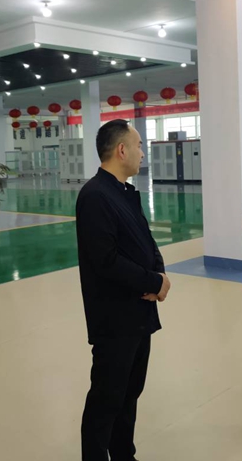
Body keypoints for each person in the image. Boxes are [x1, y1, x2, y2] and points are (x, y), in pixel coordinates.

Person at [76, 119, 171, 461]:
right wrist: (153, 282)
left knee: (130, 391)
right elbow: (106, 260)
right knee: (107, 397)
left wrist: (159, 272)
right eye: (139, 145)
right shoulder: (95, 196)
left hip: (138, 313)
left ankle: (123, 454)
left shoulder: (124, 192)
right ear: (121, 150)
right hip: (115, 318)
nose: (142, 153)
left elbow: (145, 239)